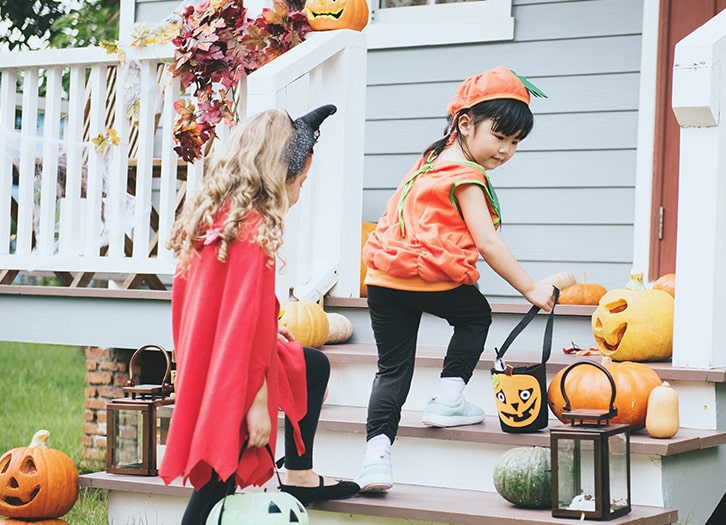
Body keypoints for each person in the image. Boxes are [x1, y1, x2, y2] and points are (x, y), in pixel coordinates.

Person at [355, 66, 557, 493]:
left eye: (515, 143)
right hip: (432, 274)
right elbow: (488, 242)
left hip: (383, 276)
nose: (505, 150)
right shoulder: (467, 176)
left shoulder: (431, 160)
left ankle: (376, 457)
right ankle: (449, 398)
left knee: (392, 371)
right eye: (499, 137)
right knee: (475, 317)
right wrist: (531, 288)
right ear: (465, 124)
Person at [159, 105, 360, 525]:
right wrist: (257, 402)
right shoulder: (252, 234)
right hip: (235, 376)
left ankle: (300, 474)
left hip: (217, 362)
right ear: (279, 175)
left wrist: (272, 334)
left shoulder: (215, 219)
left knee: (312, 364)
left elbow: (231, 314)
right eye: (302, 181)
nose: (302, 192)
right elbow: (242, 326)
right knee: (217, 478)